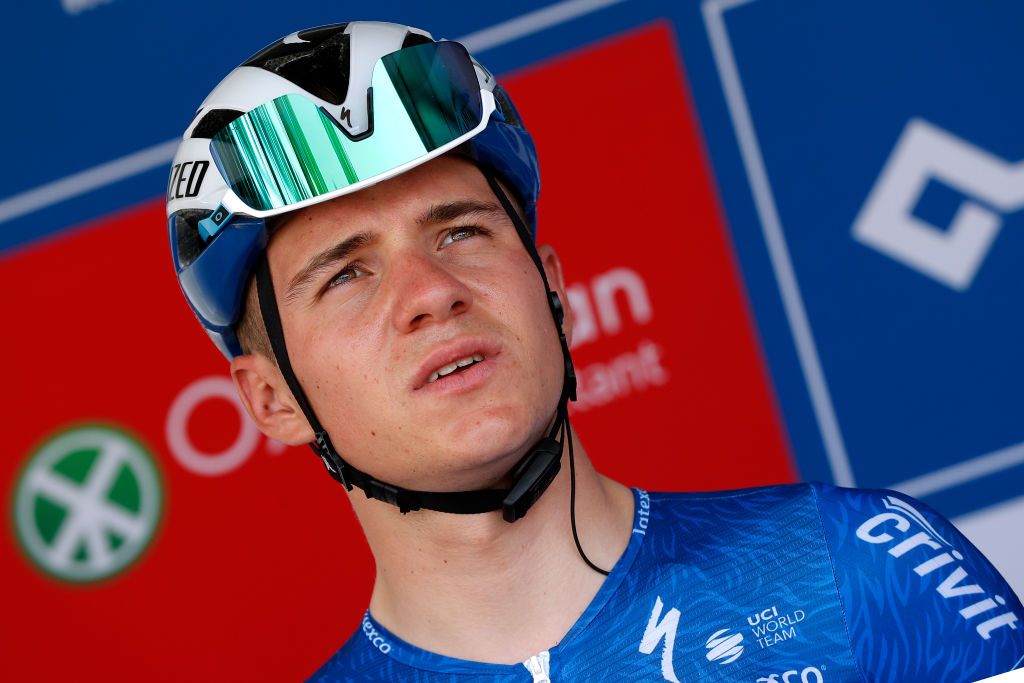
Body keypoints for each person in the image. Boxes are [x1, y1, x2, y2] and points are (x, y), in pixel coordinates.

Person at [166, 21, 1024, 682]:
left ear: (552, 289)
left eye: (460, 230)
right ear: (272, 398)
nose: (430, 291)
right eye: (347, 273)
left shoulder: (854, 566)